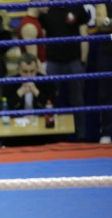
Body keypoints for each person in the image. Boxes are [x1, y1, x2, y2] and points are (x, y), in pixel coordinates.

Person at [39, 4, 89, 142]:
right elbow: (41, 37)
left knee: (78, 100)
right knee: (51, 100)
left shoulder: (77, 8)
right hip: (53, 62)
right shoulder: (47, 9)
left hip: (74, 61)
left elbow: (84, 34)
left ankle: (81, 137)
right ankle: (54, 137)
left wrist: (82, 60)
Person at [1, 53, 57, 146]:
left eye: (32, 71)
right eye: (25, 72)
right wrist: (19, 93)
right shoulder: (9, 83)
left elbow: (54, 106)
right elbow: (4, 109)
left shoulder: (46, 82)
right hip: (16, 131)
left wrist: (36, 92)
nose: (29, 75)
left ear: (37, 70)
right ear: (18, 70)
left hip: (42, 129)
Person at [17, 0, 49, 74]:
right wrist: (44, 75)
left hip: (41, 64)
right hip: (37, 68)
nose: (49, 5)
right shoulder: (29, 25)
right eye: (47, 1)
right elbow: (33, 58)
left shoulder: (34, 21)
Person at [95, 3, 112, 143]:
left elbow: (105, 22)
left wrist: (108, 21)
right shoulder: (105, 3)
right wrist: (106, 21)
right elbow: (100, 22)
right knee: (105, 92)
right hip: (107, 50)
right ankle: (106, 131)